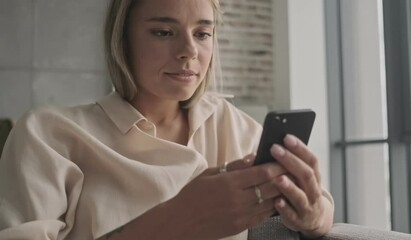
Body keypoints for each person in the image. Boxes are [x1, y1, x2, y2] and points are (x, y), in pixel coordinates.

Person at [0, 0, 334, 239]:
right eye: (163, 32)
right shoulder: (48, 135)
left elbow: (323, 209)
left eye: (202, 33)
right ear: (122, 40)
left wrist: (313, 214)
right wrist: (177, 221)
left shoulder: (229, 123)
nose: (188, 50)